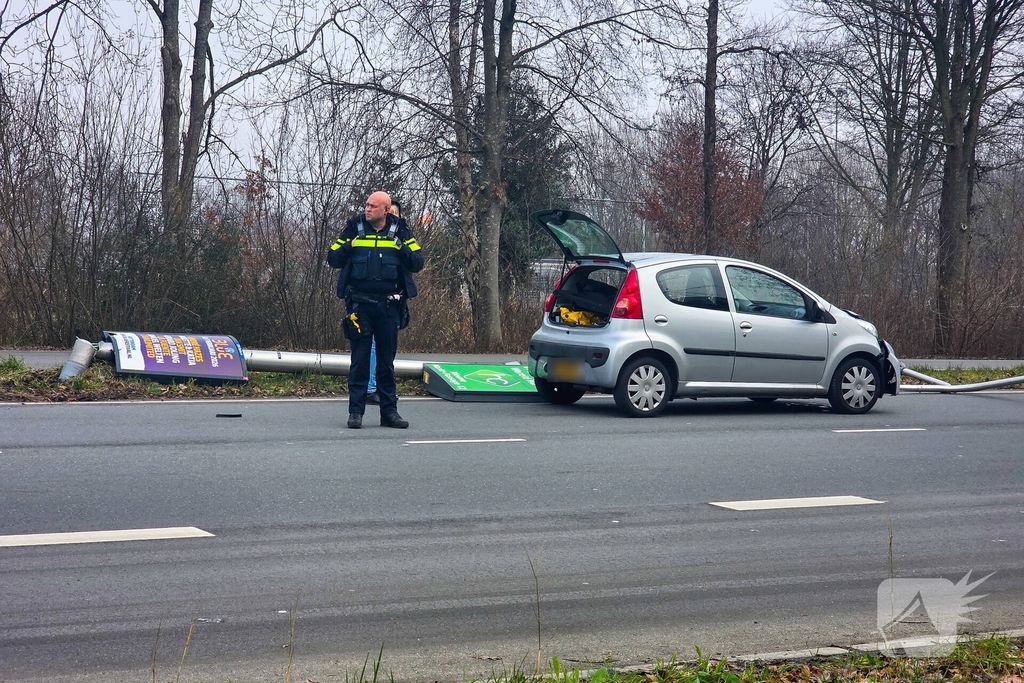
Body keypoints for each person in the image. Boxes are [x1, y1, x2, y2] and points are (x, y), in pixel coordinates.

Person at [327, 191, 423, 429]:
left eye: (373, 206)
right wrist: (350, 245)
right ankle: (355, 413)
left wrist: (401, 247)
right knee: (359, 361)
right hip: (360, 306)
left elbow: (417, 262)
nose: (367, 209)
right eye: (367, 205)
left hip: (390, 307)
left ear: (386, 210)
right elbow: (333, 257)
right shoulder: (354, 227)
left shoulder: (400, 229)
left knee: (386, 363)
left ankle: (389, 413)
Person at [366, 200, 404, 405]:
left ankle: (380, 387)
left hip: (394, 303)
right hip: (372, 303)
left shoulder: (401, 239)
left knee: (388, 348)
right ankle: (371, 387)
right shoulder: (372, 238)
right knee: (372, 346)